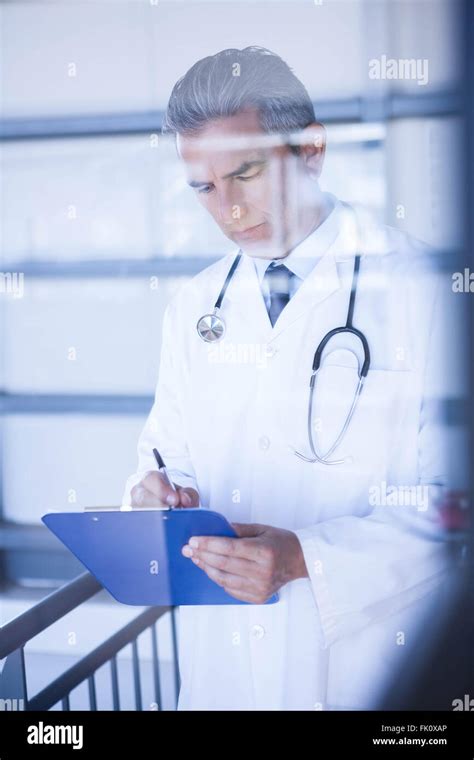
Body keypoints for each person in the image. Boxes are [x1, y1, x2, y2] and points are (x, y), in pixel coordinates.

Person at [122, 46, 452, 710]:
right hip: (222, 672)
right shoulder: (195, 307)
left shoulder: (423, 289)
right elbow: (166, 455)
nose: (230, 211)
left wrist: (306, 557)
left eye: (245, 173)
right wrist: (158, 493)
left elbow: (451, 506)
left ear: (311, 150)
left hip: (370, 666)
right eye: (204, 188)